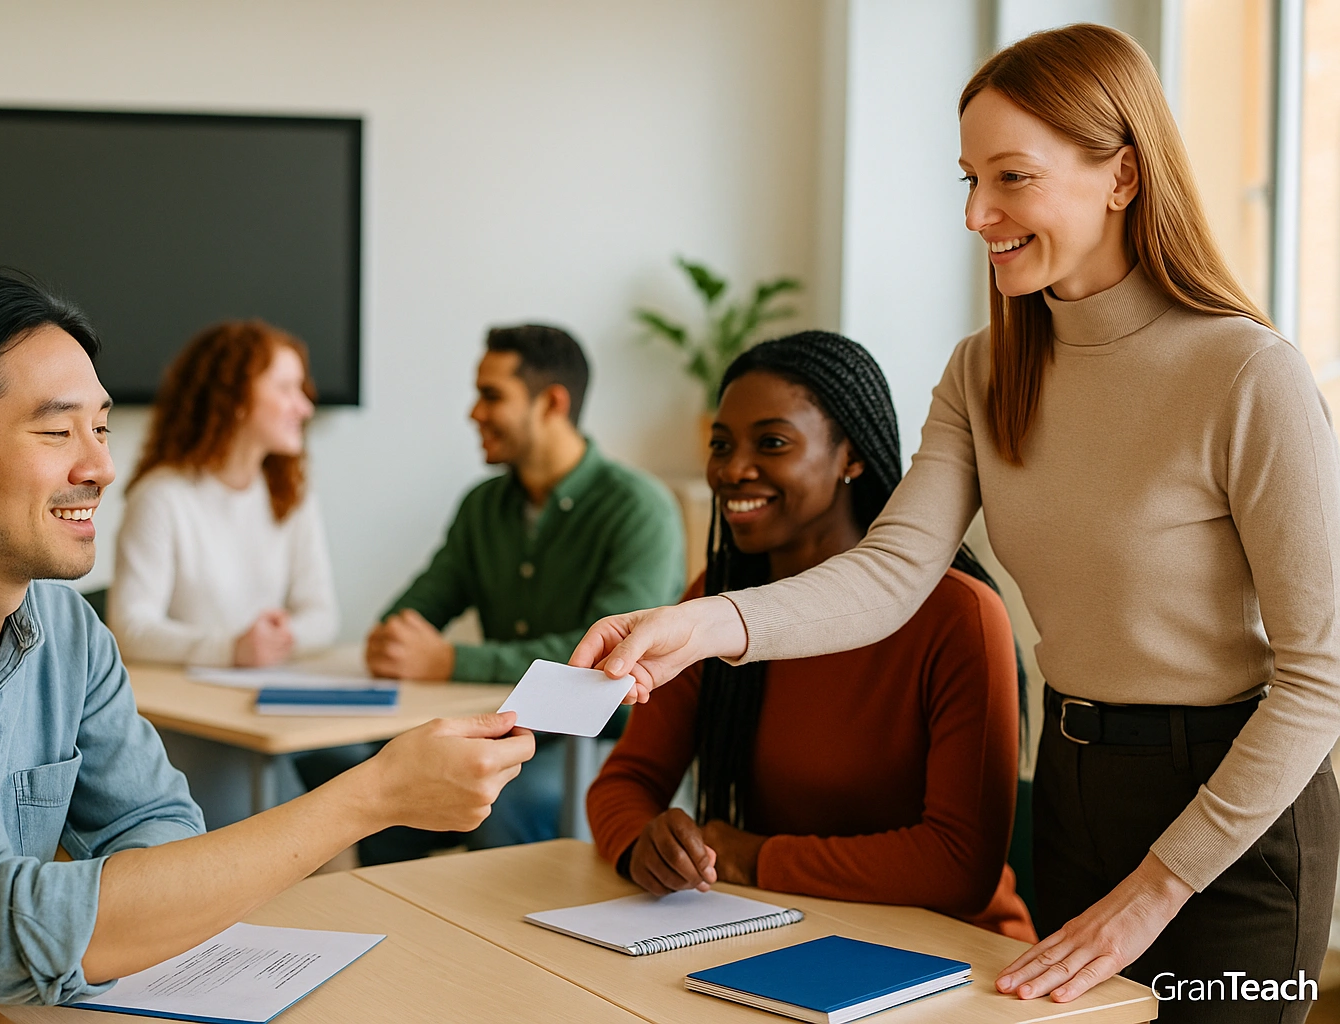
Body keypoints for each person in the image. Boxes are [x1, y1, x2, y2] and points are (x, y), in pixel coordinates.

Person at [572, 24, 1340, 1024]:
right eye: (970, 177)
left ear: (1122, 176)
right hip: (1072, 788)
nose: (978, 212)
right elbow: (890, 571)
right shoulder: (986, 371)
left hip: (1235, 819)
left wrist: (1156, 889)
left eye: (1012, 177)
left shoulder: (1246, 374)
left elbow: (1320, 676)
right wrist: (704, 630)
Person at [0, 270, 534, 1024]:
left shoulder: (70, 632)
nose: (101, 467)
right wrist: (371, 796)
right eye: (57, 432)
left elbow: (159, 827)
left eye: (101, 427)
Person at [587, 332, 1035, 941]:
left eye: (772, 443)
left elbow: (959, 865)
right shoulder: (713, 605)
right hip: (780, 929)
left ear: (850, 456)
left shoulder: (956, 615)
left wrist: (752, 856)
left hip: (953, 951)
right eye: (722, 445)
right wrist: (645, 844)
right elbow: (626, 782)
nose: (733, 469)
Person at [299, 324, 686, 862]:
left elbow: (604, 663)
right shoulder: (483, 506)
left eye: (491, 396)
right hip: (506, 727)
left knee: (507, 803)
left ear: (551, 403)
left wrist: (450, 660)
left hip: (602, 741)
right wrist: (395, 641)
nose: (473, 413)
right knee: (368, 775)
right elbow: (412, 614)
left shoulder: (639, 508)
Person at [110, 319, 339, 667]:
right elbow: (130, 629)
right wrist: (230, 649)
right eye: (286, 389)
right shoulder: (161, 497)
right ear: (236, 399)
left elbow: (323, 615)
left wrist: (278, 639)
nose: (305, 408)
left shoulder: (292, 492)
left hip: (265, 692)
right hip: (185, 706)